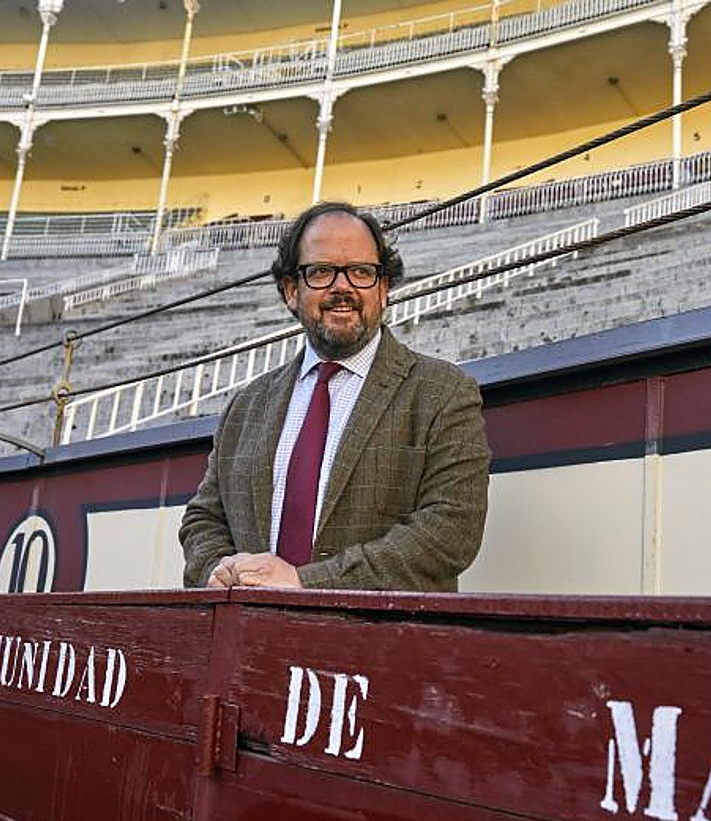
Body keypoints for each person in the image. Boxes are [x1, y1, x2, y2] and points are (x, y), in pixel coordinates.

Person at [180, 201, 490, 591]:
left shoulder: (442, 392)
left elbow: (451, 531)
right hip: (252, 637)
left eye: (361, 272)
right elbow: (203, 519)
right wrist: (218, 569)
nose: (342, 287)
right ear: (291, 290)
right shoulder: (245, 407)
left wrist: (305, 581)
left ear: (384, 289)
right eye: (322, 272)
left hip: (381, 648)